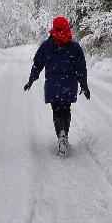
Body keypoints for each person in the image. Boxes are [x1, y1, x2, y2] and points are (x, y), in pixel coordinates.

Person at [24, 16, 89, 155]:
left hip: (53, 84)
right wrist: (84, 85)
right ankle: (64, 135)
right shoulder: (74, 47)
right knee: (66, 109)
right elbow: (81, 68)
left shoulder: (46, 46)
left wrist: (31, 79)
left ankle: (60, 134)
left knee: (56, 110)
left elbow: (38, 64)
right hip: (68, 83)